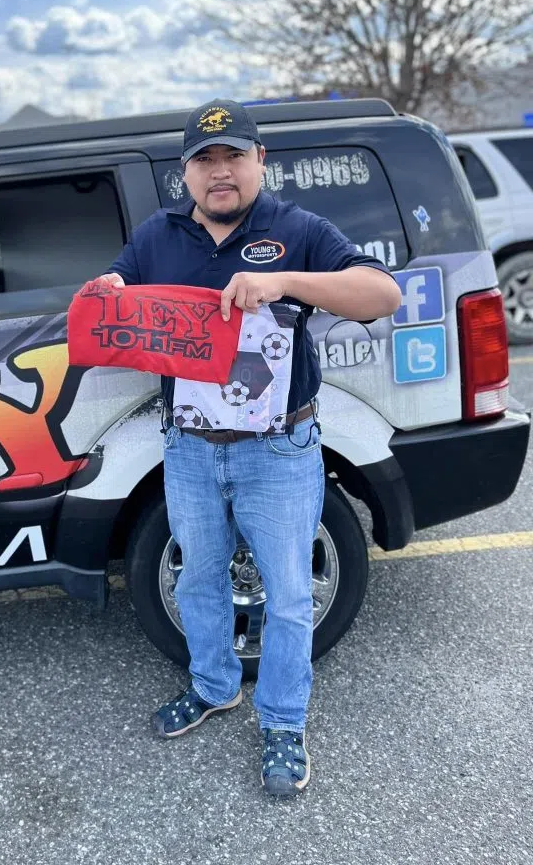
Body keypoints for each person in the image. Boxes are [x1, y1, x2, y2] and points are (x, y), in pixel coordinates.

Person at [98, 98, 402, 797]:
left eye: (233, 155)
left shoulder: (297, 230)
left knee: (289, 596)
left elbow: (380, 294)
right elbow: (120, 294)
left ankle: (284, 723)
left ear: (260, 160)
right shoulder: (158, 237)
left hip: (279, 449)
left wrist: (284, 281)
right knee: (198, 578)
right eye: (204, 160)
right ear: (184, 173)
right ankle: (214, 686)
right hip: (190, 448)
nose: (220, 171)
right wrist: (110, 291)